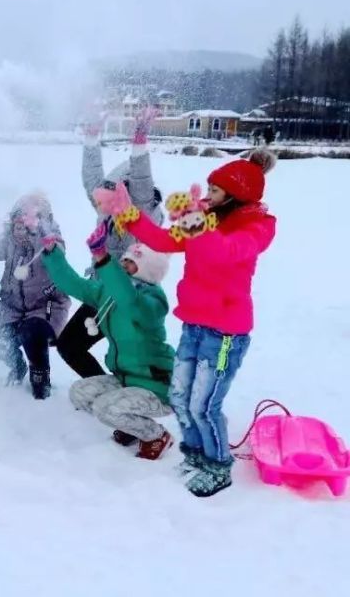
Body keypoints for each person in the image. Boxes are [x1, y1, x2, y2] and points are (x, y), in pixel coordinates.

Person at [94, 149, 278, 496]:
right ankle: (195, 456)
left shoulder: (258, 227)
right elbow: (162, 240)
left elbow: (223, 252)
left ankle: (218, 466)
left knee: (204, 404)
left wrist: (198, 223)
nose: (207, 196)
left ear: (235, 196)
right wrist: (127, 213)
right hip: (194, 325)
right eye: (207, 188)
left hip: (225, 333)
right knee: (180, 397)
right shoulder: (204, 220)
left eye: (215, 191)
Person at [43, 229, 176, 459]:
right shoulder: (109, 294)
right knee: (80, 393)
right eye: (123, 259)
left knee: (105, 408)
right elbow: (75, 285)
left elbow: (130, 301)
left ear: (147, 270)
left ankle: (156, 435)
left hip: (158, 387)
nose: (123, 264)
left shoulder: (152, 302)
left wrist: (104, 259)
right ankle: (131, 426)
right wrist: (53, 254)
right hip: (125, 380)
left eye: (131, 263)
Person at [58, 109, 164, 381]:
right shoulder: (107, 209)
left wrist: (139, 140)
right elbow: (91, 181)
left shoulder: (143, 211)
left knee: (132, 360)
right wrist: (92, 139)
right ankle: (104, 390)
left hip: (132, 298)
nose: (107, 198)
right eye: (107, 192)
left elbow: (141, 179)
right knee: (69, 346)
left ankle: (141, 396)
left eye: (116, 190)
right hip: (101, 292)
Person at [0, 193, 69, 399]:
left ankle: (40, 376)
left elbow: (58, 250)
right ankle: (17, 366)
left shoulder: (48, 239)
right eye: (18, 219)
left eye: (28, 219)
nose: (21, 225)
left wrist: (39, 234)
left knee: (31, 332)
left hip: (46, 307)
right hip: (13, 308)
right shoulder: (9, 241)